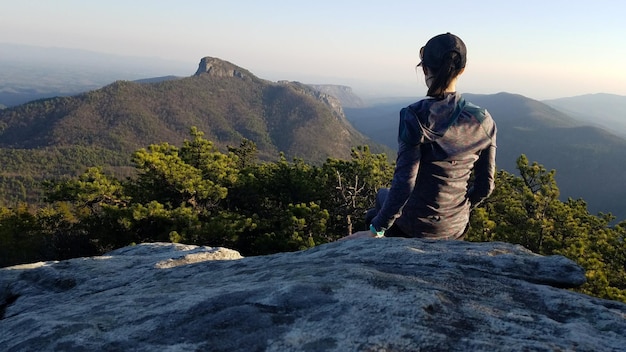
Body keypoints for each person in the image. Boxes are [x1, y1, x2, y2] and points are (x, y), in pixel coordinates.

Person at [344, 32, 496, 241]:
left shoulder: (414, 116)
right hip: (455, 229)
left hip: (412, 227)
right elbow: (485, 186)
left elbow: (405, 184)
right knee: (381, 200)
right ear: (462, 70)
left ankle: (376, 248)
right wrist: (459, 210)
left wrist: (377, 230)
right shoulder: (483, 120)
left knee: (380, 199)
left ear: (424, 69)